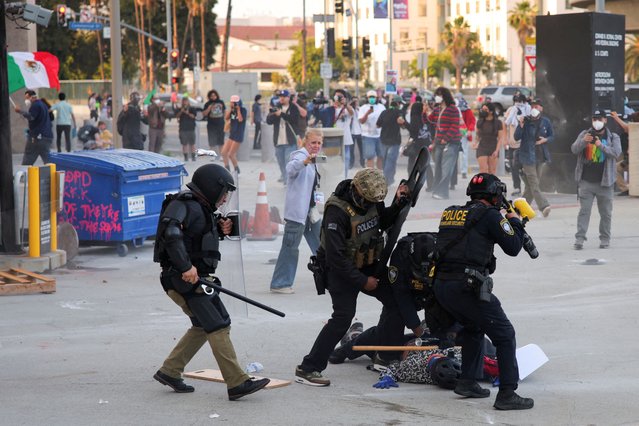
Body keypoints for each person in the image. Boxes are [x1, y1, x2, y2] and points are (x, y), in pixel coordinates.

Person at [153, 164, 270, 401]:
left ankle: (170, 371)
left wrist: (219, 228)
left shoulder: (201, 207)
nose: (225, 197)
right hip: (183, 278)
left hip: (194, 278)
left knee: (203, 325)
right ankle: (237, 382)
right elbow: (172, 235)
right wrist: (186, 267)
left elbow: (195, 235)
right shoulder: (182, 204)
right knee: (217, 324)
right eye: (224, 191)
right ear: (210, 186)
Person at [295, 168, 409, 386]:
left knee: (396, 299)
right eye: (367, 200)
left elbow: (381, 222)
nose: (369, 204)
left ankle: (384, 355)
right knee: (342, 319)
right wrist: (363, 281)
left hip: (367, 263)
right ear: (356, 189)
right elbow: (336, 258)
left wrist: (397, 203)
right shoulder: (336, 212)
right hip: (339, 271)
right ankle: (308, 368)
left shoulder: (372, 198)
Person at [432, 173, 534, 410]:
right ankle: (508, 393)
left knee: (474, 327)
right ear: (495, 195)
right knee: (504, 334)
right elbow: (513, 247)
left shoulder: (451, 211)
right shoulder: (489, 216)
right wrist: (515, 221)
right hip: (467, 286)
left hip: (442, 286)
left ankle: (467, 381)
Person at [269, 129, 324, 294]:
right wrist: (305, 161)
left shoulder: (314, 159)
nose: (316, 146)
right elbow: (291, 168)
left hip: (311, 211)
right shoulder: (299, 156)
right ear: (305, 142)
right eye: (313, 142)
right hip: (297, 213)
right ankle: (280, 283)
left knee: (323, 245)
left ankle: (331, 278)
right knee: (290, 247)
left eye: (319, 143)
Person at [570, 110, 622, 250]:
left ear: (605, 120)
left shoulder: (613, 137)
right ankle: (579, 239)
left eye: (599, 119)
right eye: (594, 119)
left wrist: (600, 145)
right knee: (584, 212)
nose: (596, 122)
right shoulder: (584, 134)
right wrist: (583, 142)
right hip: (586, 182)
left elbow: (616, 153)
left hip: (605, 183)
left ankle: (605, 239)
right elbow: (574, 149)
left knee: (605, 213)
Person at [513, 99, 553, 217]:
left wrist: (545, 140)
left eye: (537, 106)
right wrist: (520, 125)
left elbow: (552, 135)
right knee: (534, 183)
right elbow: (516, 137)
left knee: (531, 186)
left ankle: (519, 210)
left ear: (541, 108)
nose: (534, 108)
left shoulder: (546, 121)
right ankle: (544, 206)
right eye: (532, 106)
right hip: (527, 157)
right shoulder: (525, 120)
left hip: (540, 156)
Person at [427, 87, 462, 200]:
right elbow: (430, 120)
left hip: (451, 143)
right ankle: (436, 190)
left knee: (446, 169)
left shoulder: (453, 109)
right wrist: (426, 110)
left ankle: (443, 193)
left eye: (439, 94)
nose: (437, 96)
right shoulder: (438, 109)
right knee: (438, 168)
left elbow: (455, 125)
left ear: (444, 96)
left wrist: (446, 138)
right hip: (438, 142)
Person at [266, 89, 300, 185]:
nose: (281, 98)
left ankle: (288, 181)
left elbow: (294, 120)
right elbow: (268, 121)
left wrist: (281, 114)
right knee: (281, 162)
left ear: (288, 98)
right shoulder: (276, 107)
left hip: (290, 141)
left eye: (284, 97)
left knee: (288, 162)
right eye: (280, 97)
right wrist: (275, 114)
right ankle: (285, 178)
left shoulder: (293, 108)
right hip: (278, 141)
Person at [15, 90, 53, 165]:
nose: (26, 100)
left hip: (36, 137)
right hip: (46, 137)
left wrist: (20, 111)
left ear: (31, 97)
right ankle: (52, 174)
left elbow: (31, 116)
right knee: (48, 162)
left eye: (27, 98)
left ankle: (24, 174)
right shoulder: (43, 105)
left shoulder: (35, 105)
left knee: (28, 160)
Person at [504, 94, 531, 196]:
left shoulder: (528, 110)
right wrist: (505, 138)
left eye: (520, 100)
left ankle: (528, 187)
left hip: (523, 144)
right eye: (516, 100)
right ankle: (517, 187)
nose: (518, 102)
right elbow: (505, 123)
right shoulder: (511, 110)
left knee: (523, 167)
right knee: (513, 166)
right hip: (512, 143)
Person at [376, 95, 406, 185]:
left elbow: (377, 125)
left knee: (386, 160)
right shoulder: (400, 112)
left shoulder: (384, 112)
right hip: (395, 141)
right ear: (398, 103)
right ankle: (386, 179)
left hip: (383, 139)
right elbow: (403, 125)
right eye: (400, 103)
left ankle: (389, 179)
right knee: (391, 160)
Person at [473, 103, 505, 175]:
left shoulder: (498, 123)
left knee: (492, 171)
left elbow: (500, 138)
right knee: (483, 170)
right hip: (482, 147)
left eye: (485, 110)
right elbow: (478, 135)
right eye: (482, 109)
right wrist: (475, 143)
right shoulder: (479, 122)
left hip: (493, 147)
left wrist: (497, 150)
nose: (483, 111)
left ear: (491, 111)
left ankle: (490, 186)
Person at [358, 90, 386, 170]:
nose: (372, 99)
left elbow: (385, 119)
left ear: (376, 98)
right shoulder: (363, 108)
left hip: (380, 135)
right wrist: (368, 113)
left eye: (373, 97)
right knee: (370, 157)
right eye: (370, 97)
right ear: (367, 98)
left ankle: (380, 175)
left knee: (381, 156)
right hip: (367, 136)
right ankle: (371, 175)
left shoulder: (381, 107)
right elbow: (361, 121)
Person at [331, 89, 355, 177]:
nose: (338, 98)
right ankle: (335, 176)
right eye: (337, 96)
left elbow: (352, 113)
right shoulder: (331, 108)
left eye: (340, 96)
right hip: (333, 138)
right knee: (334, 159)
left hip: (346, 138)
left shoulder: (347, 108)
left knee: (346, 158)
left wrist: (345, 104)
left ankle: (344, 177)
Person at [221, 95, 247, 175]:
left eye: (235, 102)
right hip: (232, 134)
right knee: (224, 152)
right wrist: (231, 109)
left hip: (238, 135)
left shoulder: (243, 110)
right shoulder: (232, 111)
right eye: (232, 102)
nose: (234, 104)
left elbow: (240, 120)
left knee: (231, 154)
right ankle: (227, 169)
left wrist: (238, 110)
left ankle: (237, 170)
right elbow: (226, 118)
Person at [457, 94, 476, 179]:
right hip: (454, 133)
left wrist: (469, 130)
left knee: (464, 153)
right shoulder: (454, 108)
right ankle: (456, 171)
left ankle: (463, 171)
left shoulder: (467, 110)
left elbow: (472, 121)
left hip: (464, 133)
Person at [175, 97, 199, 162]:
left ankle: (193, 157)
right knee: (184, 144)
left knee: (192, 144)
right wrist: (181, 111)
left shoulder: (192, 108)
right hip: (182, 128)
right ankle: (186, 157)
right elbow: (177, 116)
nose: (185, 103)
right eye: (184, 101)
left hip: (191, 128)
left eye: (186, 101)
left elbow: (194, 116)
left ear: (188, 102)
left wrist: (187, 112)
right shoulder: (180, 109)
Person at [350, 97, 364, 168]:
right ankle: (351, 163)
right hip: (352, 132)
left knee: (362, 149)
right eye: (354, 101)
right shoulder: (350, 109)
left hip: (360, 132)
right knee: (351, 150)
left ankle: (362, 163)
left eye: (356, 101)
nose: (355, 103)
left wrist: (358, 109)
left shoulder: (361, 109)